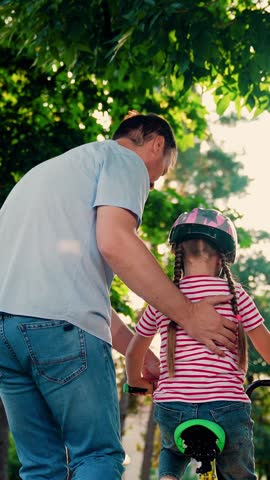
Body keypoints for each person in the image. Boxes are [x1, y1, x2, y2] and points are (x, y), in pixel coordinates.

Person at [0, 111, 237, 480]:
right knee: (95, 456)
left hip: (5, 334)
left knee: (41, 466)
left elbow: (64, 287)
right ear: (157, 144)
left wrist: (134, 350)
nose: (154, 183)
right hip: (60, 329)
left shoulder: (47, 173)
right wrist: (189, 314)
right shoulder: (124, 160)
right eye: (162, 171)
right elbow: (115, 241)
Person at [125, 207, 270, 480]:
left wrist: (136, 382)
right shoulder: (234, 296)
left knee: (172, 451)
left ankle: (168, 476)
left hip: (173, 406)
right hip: (226, 406)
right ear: (223, 258)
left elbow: (134, 352)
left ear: (178, 255)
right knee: (238, 470)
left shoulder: (164, 299)